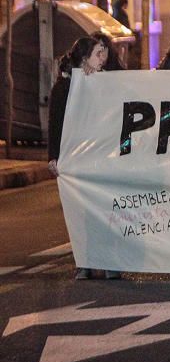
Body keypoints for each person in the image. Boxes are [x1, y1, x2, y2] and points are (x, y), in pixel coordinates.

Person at [48, 37, 120, 280]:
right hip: (76, 156)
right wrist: (54, 156)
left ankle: (110, 260)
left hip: (102, 155)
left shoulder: (105, 80)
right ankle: (85, 261)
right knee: (81, 212)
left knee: (105, 207)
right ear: (83, 58)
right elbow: (55, 122)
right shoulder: (65, 86)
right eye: (98, 54)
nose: (103, 59)